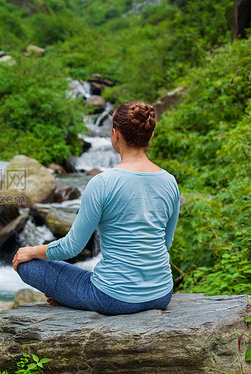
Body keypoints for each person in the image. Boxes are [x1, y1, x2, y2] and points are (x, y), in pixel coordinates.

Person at [12, 101, 180, 315]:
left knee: (27, 264)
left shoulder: (102, 183)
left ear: (115, 134)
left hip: (112, 299)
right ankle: (72, 294)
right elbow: (165, 243)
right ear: (151, 136)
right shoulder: (169, 181)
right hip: (161, 294)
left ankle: (70, 296)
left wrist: (31, 251)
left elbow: (71, 248)